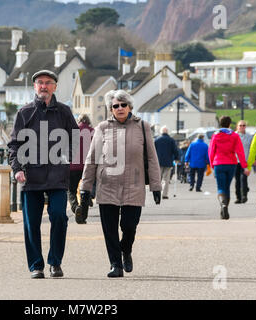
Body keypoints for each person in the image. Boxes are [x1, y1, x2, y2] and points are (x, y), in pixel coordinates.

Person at [80, 89, 162, 278]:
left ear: (130, 106)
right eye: (115, 106)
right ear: (111, 109)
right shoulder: (102, 128)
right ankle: (115, 264)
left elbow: (152, 158)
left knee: (129, 226)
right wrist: (85, 187)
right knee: (109, 228)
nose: (120, 108)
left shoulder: (143, 126)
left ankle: (126, 250)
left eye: (123, 104)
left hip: (134, 185)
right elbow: (92, 158)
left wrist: (156, 186)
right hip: (107, 184)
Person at [7, 70, 78, 279]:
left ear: (55, 87)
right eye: (40, 83)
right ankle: (36, 266)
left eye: (48, 83)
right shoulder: (24, 113)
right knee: (31, 223)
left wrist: (67, 157)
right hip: (31, 177)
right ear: (35, 87)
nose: (44, 86)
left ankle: (55, 262)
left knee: (59, 216)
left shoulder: (64, 112)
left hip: (57, 176)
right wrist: (17, 169)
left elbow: (76, 139)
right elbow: (14, 144)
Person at [209, 116, 250, 220]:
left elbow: (211, 151)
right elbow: (240, 151)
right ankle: (225, 208)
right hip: (231, 163)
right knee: (227, 187)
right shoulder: (234, 135)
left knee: (221, 187)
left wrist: (212, 164)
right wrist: (244, 166)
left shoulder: (215, 135)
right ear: (230, 124)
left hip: (218, 163)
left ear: (220, 124)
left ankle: (223, 205)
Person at [68, 114, 94, 224]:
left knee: (71, 190)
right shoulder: (93, 132)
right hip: (88, 166)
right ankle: (83, 216)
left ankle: (75, 207)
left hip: (72, 167)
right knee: (85, 190)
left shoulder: (72, 132)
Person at [154, 126, 179, 199]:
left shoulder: (157, 140)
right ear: (167, 132)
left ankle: (157, 193)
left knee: (158, 179)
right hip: (168, 162)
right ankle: (164, 194)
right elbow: (175, 150)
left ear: (161, 132)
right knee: (166, 179)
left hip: (158, 162)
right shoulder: (171, 140)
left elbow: (153, 151)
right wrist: (177, 158)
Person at [234, 120, 253, 203]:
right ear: (237, 127)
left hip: (245, 161)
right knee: (237, 180)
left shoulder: (249, 136)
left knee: (243, 179)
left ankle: (244, 196)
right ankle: (238, 197)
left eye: (243, 125)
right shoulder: (233, 136)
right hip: (235, 161)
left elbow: (252, 149)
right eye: (240, 125)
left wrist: (253, 160)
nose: (242, 127)